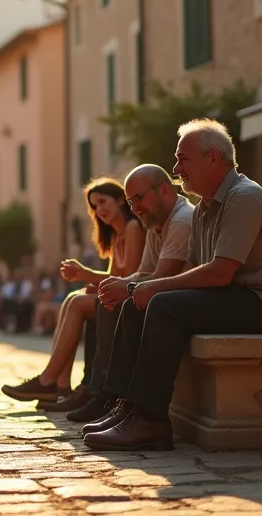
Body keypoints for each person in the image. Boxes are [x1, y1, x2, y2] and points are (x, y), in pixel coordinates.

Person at [83, 119, 262, 451]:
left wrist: (153, 287)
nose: (176, 167)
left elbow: (220, 272)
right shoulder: (204, 210)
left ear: (213, 158)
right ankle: (127, 406)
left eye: (183, 158)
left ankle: (151, 421)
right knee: (136, 304)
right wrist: (143, 290)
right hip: (230, 296)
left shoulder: (244, 197)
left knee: (163, 304)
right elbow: (201, 271)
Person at [2, 177, 145, 414]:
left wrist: (86, 273)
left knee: (77, 302)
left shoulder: (132, 228)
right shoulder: (115, 236)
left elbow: (127, 278)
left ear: (121, 199)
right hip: (120, 297)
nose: (99, 210)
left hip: (132, 299)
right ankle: (61, 385)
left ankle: (48, 381)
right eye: (94, 206)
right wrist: (89, 281)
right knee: (72, 299)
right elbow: (112, 277)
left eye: (102, 201)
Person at [75, 164, 193, 425]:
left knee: (120, 304)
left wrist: (122, 287)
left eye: (138, 198)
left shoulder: (182, 219)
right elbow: (143, 273)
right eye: (131, 201)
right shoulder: (154, 224)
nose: (134, 207)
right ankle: (108, 398)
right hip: (171, 297)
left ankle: (110, 399)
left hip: (179, 300)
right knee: (109, 300)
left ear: (164, 189)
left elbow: (160, 279)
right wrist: (117, 285)